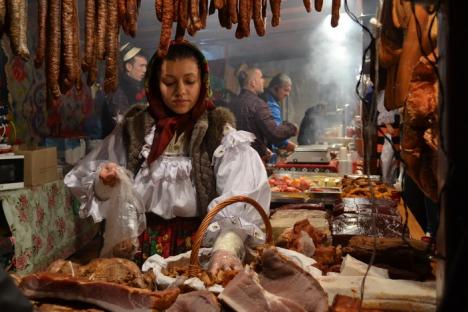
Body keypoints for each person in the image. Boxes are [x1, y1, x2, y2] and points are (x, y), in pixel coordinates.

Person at [64, 41, 270, 275]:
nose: (180, 91)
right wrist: (106, 182)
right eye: (169, 82)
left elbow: (240, 198)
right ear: (153, 84)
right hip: (137, 254)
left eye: (190, 81)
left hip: (199, 252)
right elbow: (97, 190)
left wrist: (225, 248)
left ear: (203, 82)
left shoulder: (218, 134)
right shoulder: (134, 130)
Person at [226, 66, 297, 162]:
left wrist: (264, 149)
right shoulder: (258, 104)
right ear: (253, 83)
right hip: (254, 160)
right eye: (261, 78)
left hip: (235, 159)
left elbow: (250, 132)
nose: (264, 81)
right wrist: (293, 128)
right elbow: (274, 133)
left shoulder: (232, 103)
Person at [101, 43, 148, 137]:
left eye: (146, 66)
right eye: (141, 66)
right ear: (129, 67)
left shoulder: (138, 87)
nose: (145, 70)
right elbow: (122, 123)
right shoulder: (118, 91)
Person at [261, 73, 297, 157]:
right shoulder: (270, 104)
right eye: (285, 90)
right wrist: (297, 149)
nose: (287, 94)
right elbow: (277, 137)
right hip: (265, 154)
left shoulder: (263, 96)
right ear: (275, 88)